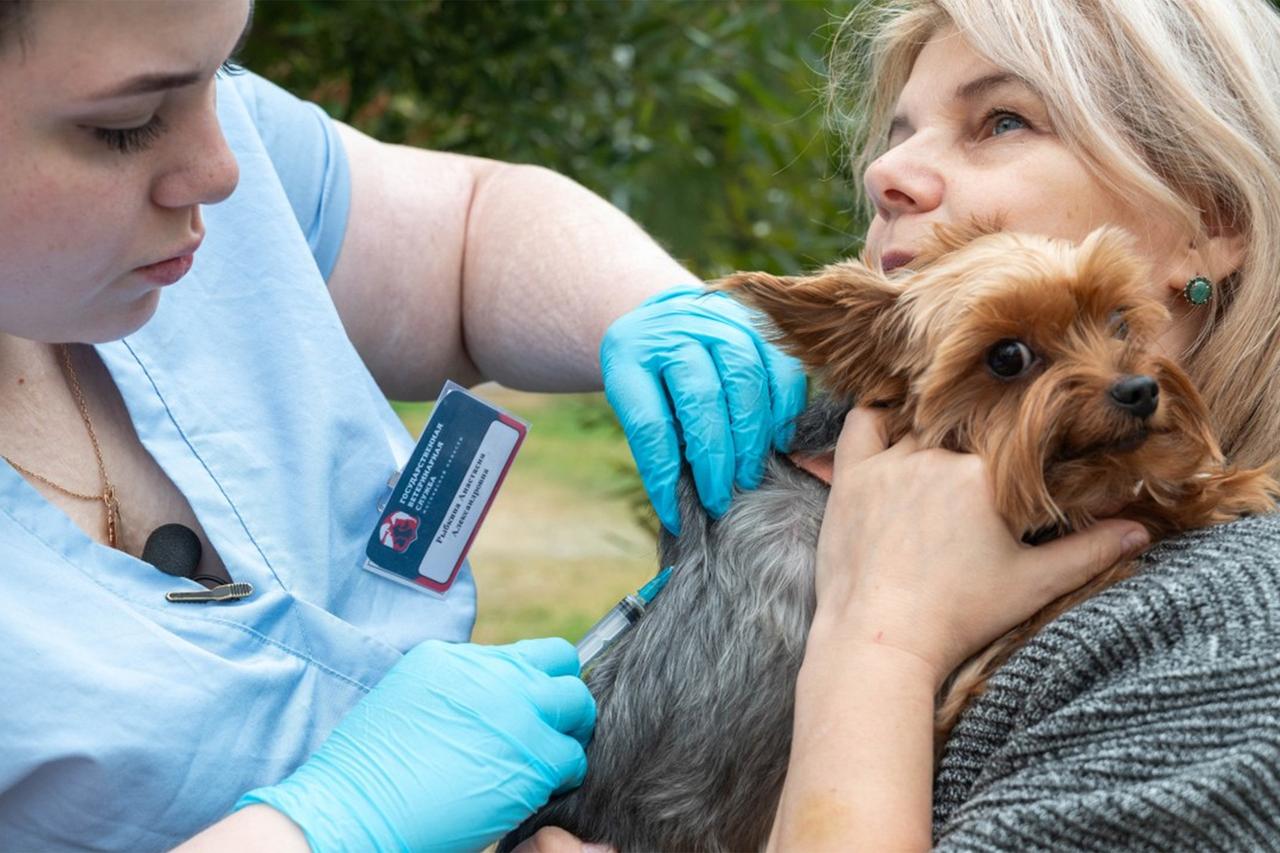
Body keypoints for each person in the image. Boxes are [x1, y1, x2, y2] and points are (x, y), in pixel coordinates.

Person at [0, 1, 809, 850]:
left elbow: (466, 233)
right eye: (126, 126)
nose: (223, 167)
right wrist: (321, 831)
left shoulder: (200, 156)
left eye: (223, 74)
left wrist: (648, 305)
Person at [762, 0, 1280, 849]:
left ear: (1209, 218)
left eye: (1002, 120)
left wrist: (875, 645)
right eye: (898, 132)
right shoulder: (807, 492)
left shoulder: (1234, 640)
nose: (885, 172)